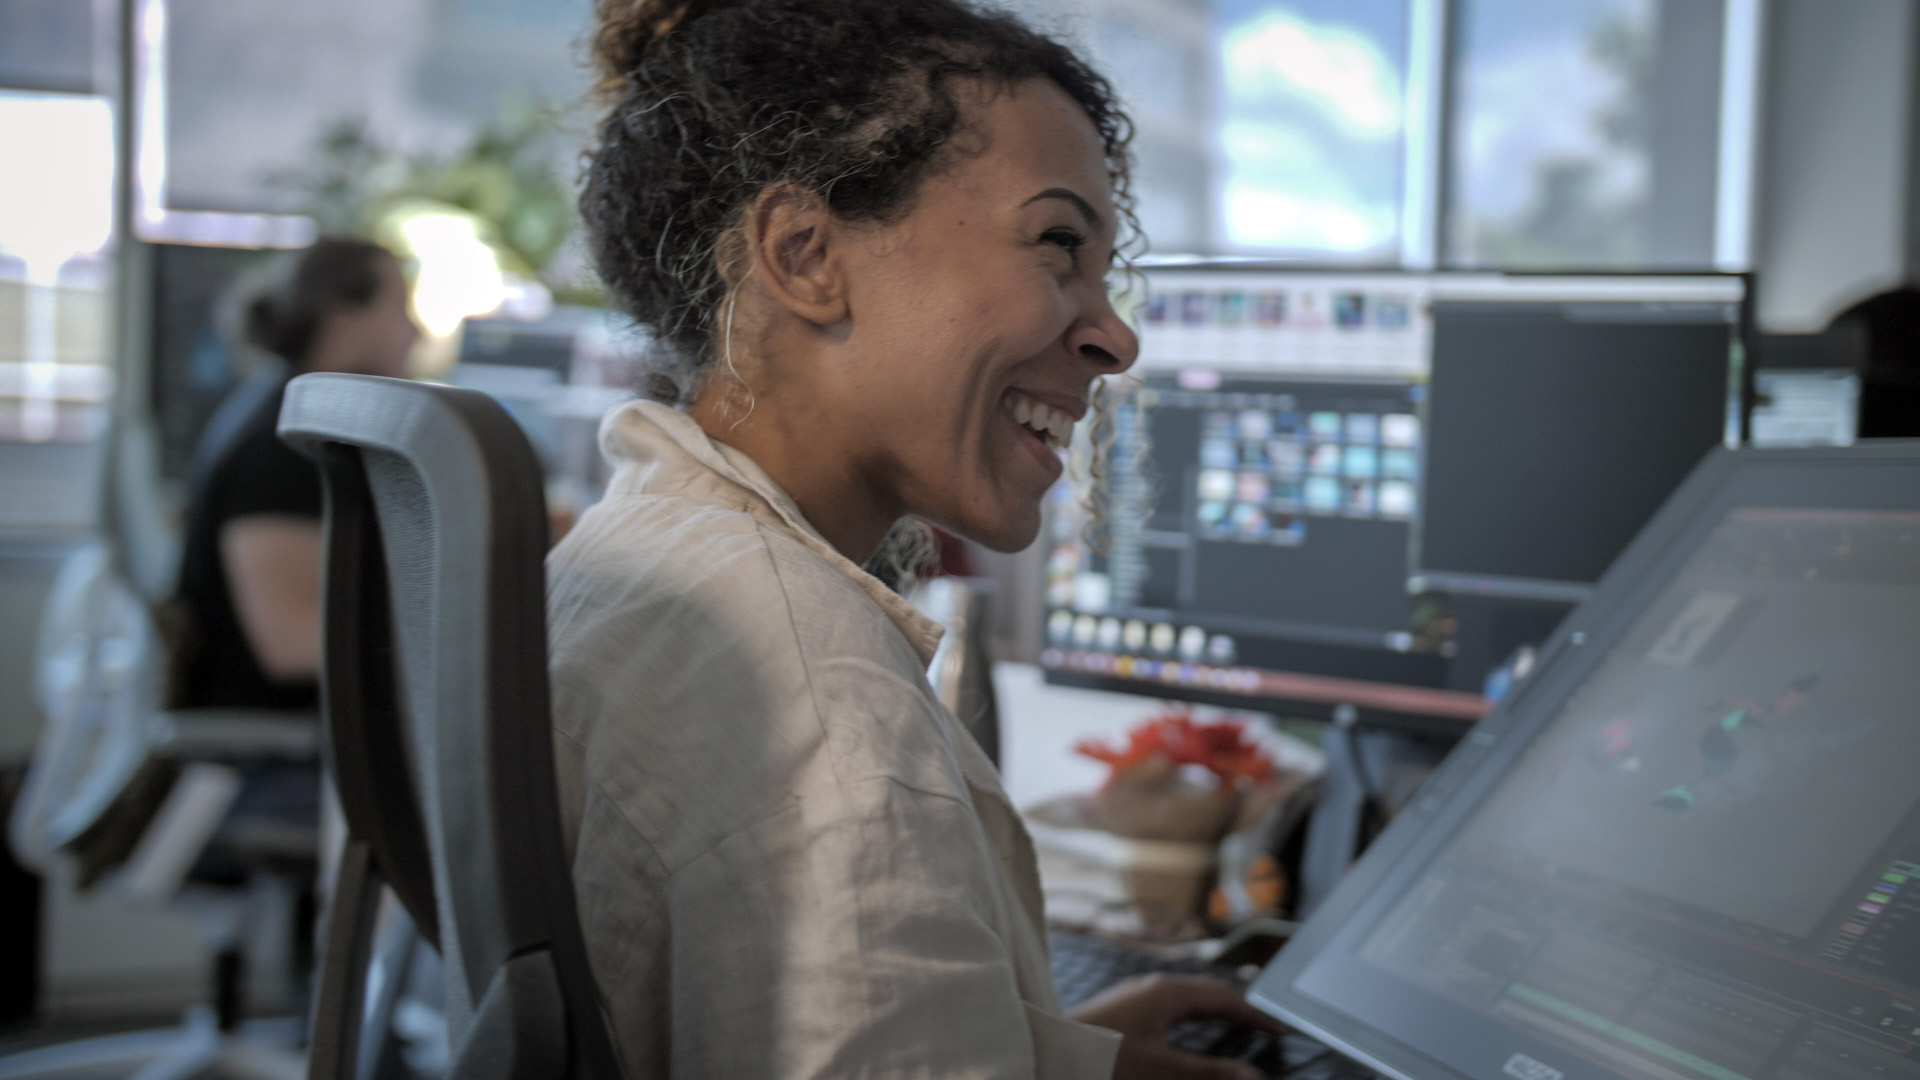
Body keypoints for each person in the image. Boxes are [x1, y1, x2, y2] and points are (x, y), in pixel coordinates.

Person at [549, 1, 1280, 1076]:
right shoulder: (816, 703)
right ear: (803, 256)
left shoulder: (636, 560)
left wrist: (1059, 1058)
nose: (1114, 336)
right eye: (1059, 245)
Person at [173, 238, 417, 710]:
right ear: (342, 322)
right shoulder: (279, 448)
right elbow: (288, 641)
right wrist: (463, 651)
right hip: (278, 740)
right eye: (400, 309)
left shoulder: (299, 421)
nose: (416, 333)